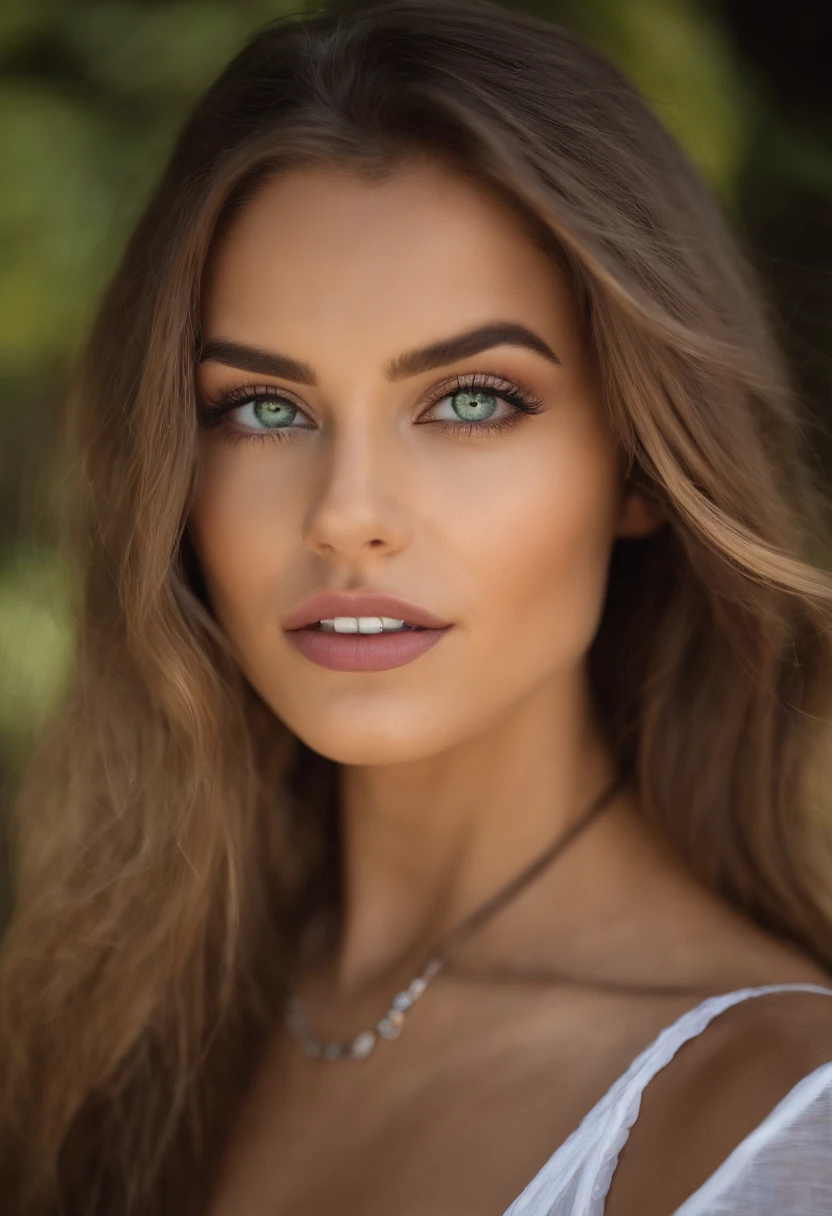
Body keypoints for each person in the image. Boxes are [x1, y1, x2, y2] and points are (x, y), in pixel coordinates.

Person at [2, 0, 832, 1212]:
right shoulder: (99, 1036)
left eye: (472, 400)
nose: (347, 514)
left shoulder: (762, 1122)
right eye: (264, 408)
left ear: (642, 466)